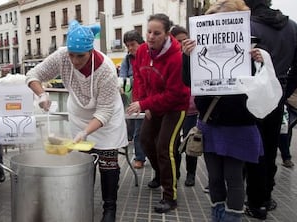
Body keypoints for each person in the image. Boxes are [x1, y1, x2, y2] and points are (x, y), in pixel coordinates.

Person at [25, 20, 128, 222]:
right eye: (71, 54)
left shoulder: (106, 70)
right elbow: (33, 75)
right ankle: (81, 203)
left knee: (107, 162)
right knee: (83, 162)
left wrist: (86, 132)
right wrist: (42, 95)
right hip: (80, 116)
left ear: (90, 51)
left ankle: (109, 209)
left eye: (80, 56)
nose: (74, 60)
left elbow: (105, 111)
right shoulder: (63, 55)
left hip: (106, 120)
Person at [181, 0, 267, 220]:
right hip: (211, 122)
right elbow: (189, 81)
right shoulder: (199, 48)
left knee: (234, 176)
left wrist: (260, 62)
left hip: (239, 123)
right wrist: (186, 57)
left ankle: (232, 217)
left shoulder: (251, 48)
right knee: (215, 178)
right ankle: (217, 215)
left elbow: (261, 86)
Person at [243, 0, 297, 219]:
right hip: (276, 95)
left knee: (252, 149)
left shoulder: (247, 25)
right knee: (270, 148)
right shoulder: (293, 27)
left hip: (249, 96)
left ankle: (254, 202)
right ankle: (265, 197)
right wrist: (282, 89)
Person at [126, 13, 189, 213]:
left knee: (165, 148)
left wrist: (145, 103)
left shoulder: (177, 57)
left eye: (157, 33)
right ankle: (161, 175)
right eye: (149, 32)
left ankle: (170, 197)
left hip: (175, 107)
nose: (151, 37)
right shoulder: (143, 50)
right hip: (154, 105)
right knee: (145, 140)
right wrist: (145, 104)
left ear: (167, 34)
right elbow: (140, 77)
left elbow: (174, 94)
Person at [171, 25, 199, 186]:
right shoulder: (170, 59)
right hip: (175, 108)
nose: (182, 44)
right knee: (174, 144)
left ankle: (191, 174)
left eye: (184, 40)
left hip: (191, 109)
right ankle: (176, 172)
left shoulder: (194, 57)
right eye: (179, 41)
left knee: (191, 143)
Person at [119, 30, 147, 169]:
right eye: (127, 45)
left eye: (133, 44)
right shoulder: (127, 59)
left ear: (140, 43)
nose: (130, 48)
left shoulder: (149, 54)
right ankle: (140, 157)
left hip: (151, 98)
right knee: (138, 131)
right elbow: (122, 78)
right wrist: (122, 86)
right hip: (135, 99)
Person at [279, 77, 297, 168]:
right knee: (287, 129)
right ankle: (286, 155)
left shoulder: (279, 66)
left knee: (282, 130)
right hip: (293, 105)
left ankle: (286, 155)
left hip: (279, 101)